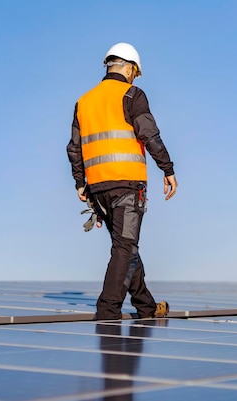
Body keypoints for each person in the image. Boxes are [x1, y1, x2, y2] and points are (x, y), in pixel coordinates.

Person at [66, 42, 178, 320]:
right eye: (135, 72)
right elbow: (149, 134)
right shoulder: (131, 95)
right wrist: (168, 169)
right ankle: (107, 311)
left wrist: (80, 182)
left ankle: (147, 307)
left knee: (125, 247)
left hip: (98, 188)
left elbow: (74, 147)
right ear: (129, 68)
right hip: (127, 185)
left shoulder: (85, 101)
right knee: (125, 248)